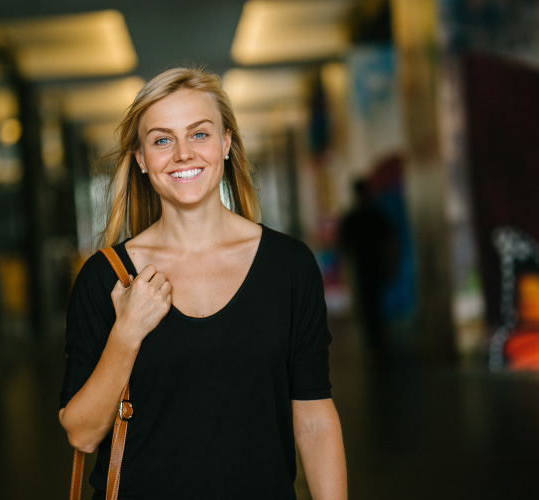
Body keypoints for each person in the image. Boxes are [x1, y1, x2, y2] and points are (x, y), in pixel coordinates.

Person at [59, 67, 346, 500]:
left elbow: (313, 416)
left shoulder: (288, 267)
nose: (182, 154)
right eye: (161, 140)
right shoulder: (107, 277)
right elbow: (81, 434)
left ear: (226, 143)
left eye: (198, 134)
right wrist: (127, 332)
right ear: (140, 159)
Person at [338, 178, 395, 359]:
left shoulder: (357, 217)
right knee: (372, 304)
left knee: (370, 304)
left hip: (365, 265)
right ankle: (377, 341)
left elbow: (344, 246)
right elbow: (388, 242)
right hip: (368, 265)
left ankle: (375, 342)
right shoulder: (373, 215)